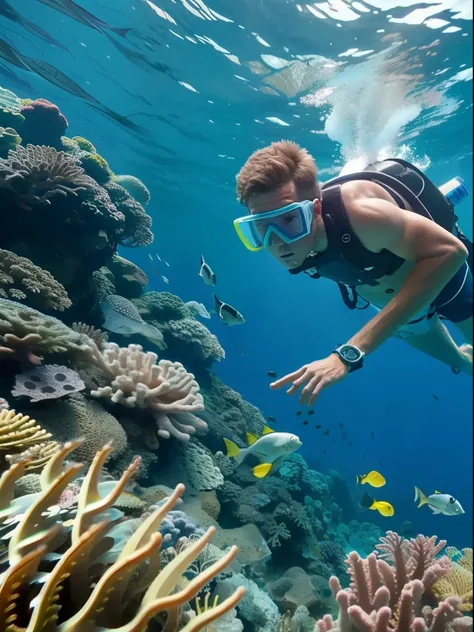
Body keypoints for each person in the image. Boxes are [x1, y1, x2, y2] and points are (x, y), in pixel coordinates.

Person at [233, 141, 473, 406]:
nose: (277, 242)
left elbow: (450, 252)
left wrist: (349, 353)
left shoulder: (362, 214)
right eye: (261, 227)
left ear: (315, 211)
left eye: (289, 220)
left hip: (445, 280)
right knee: (463, 363)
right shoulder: (298, 238)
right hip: (397, 308)